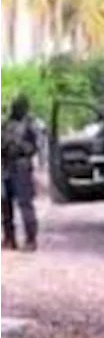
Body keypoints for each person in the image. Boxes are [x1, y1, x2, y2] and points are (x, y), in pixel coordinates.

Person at [1, 95, 41, 252]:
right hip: (6, 166)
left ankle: (31, 240)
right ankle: (9, 238)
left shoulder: (30, 125)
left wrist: (19, 146)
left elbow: (35, 147)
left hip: (22, 166)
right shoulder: (6, 124)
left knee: (25, 203)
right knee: (5, 204)